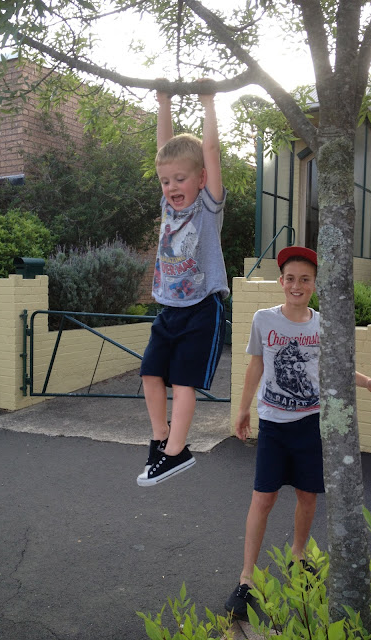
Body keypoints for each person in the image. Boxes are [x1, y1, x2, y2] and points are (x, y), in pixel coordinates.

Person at [224, 246, 371, 617]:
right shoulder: (264, 320)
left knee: (308, 496)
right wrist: (243, 409)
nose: (296, 285)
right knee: (262, 499)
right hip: (273, 426)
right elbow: (255, 366)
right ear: (281, 281)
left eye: (305, 279)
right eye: (290, 278)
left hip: (311, 425)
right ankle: (246, 578)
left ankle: (298, 556)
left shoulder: (323, 324)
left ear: (314, 284)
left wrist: (368, 382)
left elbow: (335, 367)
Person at [137, 84, 229, 487]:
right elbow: (165, 147)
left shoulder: (207, 206)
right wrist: (164, 103)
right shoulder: (167, 206)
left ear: (201, 179)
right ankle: (162, 439)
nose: (172, 187)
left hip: (202, 309)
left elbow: (210, 150)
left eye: (180, 179)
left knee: (184, 383)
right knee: (150, 374)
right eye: (165, 181)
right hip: (169, 310)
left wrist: (209, 104)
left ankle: (176, 452)